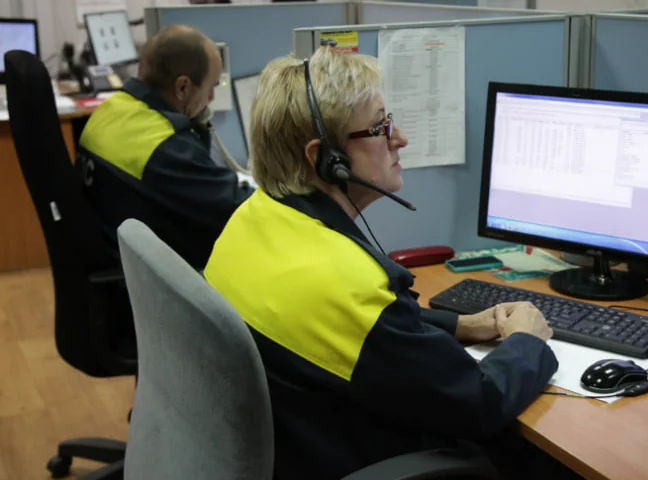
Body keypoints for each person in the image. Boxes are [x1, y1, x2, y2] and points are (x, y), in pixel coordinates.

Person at [204, 46, 577, 479]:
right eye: (380, 126)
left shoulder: (254, 220)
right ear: (324, 158)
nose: (399, 138)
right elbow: (478, 402)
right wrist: (527, 342)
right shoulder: (342, 281)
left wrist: (462, 324)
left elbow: (356, 328)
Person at [77, 24, 253, 270]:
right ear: (183, 87)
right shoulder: (165, 146)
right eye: (211, 87)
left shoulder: (111, 109)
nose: (211, 98)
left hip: (113, 254)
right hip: (148, 278)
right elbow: (239, 210)